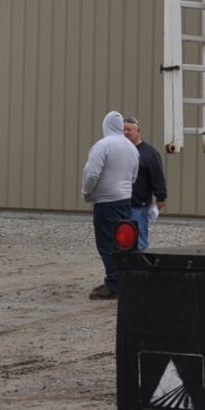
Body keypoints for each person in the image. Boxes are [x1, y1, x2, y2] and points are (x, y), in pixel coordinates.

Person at [82, 110, 139, 300]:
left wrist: (87, 192)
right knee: (124, 243)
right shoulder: (131, 147)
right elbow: (133, 175)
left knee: (106, 243)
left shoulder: (103, 145)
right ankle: (125, 280)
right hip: (125, 199)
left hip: (106, 201)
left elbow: (91, 173)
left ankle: (114, 283)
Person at [124, 116, 169, 250]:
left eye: (129, 129)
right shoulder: (120, 151)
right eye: (123, 130)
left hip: (139, 205)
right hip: (121, 203)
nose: (126, 132)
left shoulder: (149, 153)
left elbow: (157, 175)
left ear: (138, 130)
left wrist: (161, 197)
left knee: (140, 240)